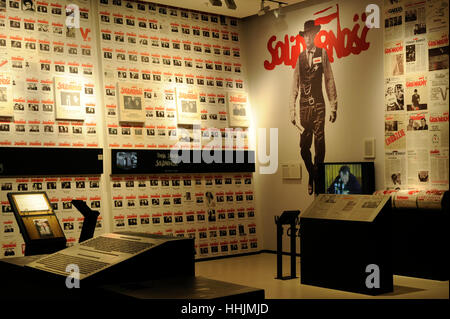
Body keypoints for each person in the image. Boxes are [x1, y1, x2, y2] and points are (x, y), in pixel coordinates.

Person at [290, 20, 337, 195]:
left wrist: (333, 106)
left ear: (315, 35)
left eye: (310, 35)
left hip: (318, 105)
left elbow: (329, 80)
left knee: (320, 144)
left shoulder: (322, 53)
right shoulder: (300, 58)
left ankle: (317, 185)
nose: (307, 38)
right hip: (303, 108)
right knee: (304, 148)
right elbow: (294, 85)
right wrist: (292, 110)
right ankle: (313, 174)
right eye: (305, 35)